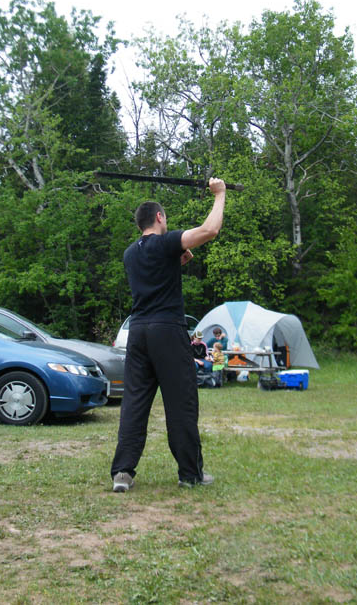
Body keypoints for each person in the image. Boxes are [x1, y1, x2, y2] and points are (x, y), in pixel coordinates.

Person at [111, 177, 227, 492]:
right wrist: (219, 194)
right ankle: (190, 474)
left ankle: (122, 473)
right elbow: (210, 230)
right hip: (167, 330)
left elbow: (162, 269)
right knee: (181, 403)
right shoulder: (165, 243)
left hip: (138, 332)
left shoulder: (130, 254)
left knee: (134, 403)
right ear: (160, 217)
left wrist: (178, 258)